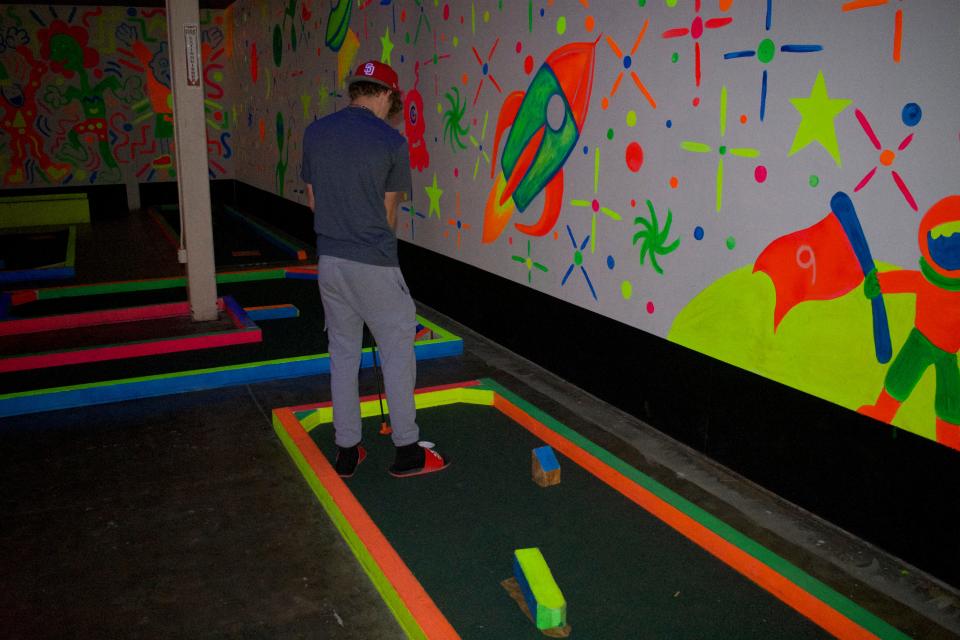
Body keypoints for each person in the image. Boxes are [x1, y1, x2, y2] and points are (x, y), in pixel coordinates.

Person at [301, 60, 450, 478]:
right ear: (386, 94)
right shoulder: (390, 140)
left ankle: (347, 450)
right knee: (398, 353)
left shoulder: (316, 133)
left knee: (343, 354)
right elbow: (388, 215)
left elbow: (314, 202)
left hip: (329, 262)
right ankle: (407, 450)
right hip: (374, 263)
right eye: (392, 102)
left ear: (356, 90)